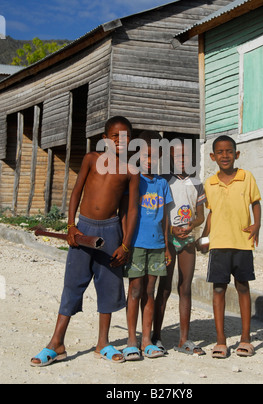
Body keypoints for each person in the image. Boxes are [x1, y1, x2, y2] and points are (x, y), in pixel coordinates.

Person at [30, 116, 140, 366]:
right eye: (114, 137)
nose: (119, 141)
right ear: (105, 140)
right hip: (84, 227)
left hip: (111, 232)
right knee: (73, 284)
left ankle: (103, 343)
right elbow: (76, 191)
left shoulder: (131, 171)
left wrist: (126, 244)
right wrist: (71, 226)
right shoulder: (92, 159)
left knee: (109, 286)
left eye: (124, 137)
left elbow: (132, 210)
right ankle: (56, 343)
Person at [203, 135, 261, 359]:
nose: (224, 155)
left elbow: (255, 203)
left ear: (236, 155)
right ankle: (220, 340)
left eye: (229, 151)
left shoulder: (247, 178)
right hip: (218, 245)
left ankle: (246, 339)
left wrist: (256, 225)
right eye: (220, 152)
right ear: (213, 156)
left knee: (243, 287)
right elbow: (211, 212)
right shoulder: (209, 183)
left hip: (242, 243)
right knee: (218, 289)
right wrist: (205, 238)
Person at [153, 138, 206, 356]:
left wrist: (191, 225)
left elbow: (201, 214)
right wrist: (172, 230)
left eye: (186, 156)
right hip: (167, 239)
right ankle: (155, 336)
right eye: (178, 156)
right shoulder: (164, 181)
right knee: (164, 287)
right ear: (171, 158)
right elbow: (161, 212)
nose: (182, 160)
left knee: (185, 287)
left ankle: (184, 338)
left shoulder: (197, 183)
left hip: (187, 240)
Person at [123, 130, 173, 360]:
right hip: (135, 244)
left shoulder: (163, 184)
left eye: (155, 156)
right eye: (146, 155)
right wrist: (125, 242)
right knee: (135, 290)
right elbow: (125, 213)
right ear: (137, 156)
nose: (150, 160)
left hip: (157, 246)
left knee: (150, 292)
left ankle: (146, 340)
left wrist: (166, 246)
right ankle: (131, 340)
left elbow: (165, 218)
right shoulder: (133, 181)